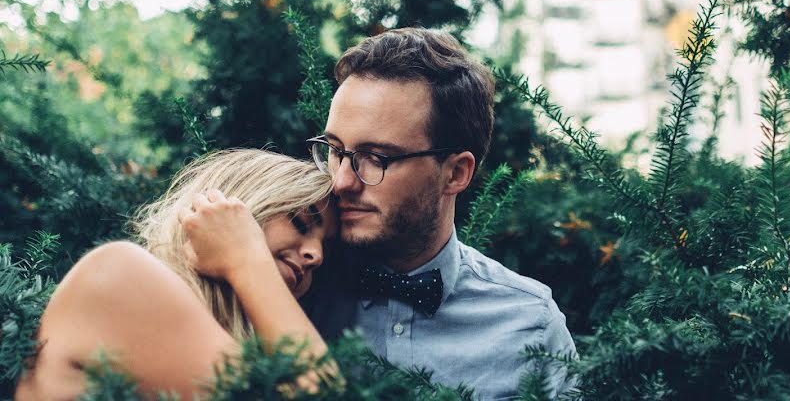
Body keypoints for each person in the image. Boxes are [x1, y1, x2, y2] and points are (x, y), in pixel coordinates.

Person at [232, 27, 576, 399]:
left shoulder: (531, 324)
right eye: (334, 150)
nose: (342, 181)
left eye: (377, 158)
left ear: (455, 173)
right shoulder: (284, 284)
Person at [14, 149, 336, 401]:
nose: (316, 256)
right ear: (234, 207)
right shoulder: (120, 276)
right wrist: (246, 258)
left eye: (326, 248)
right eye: (300, 222)